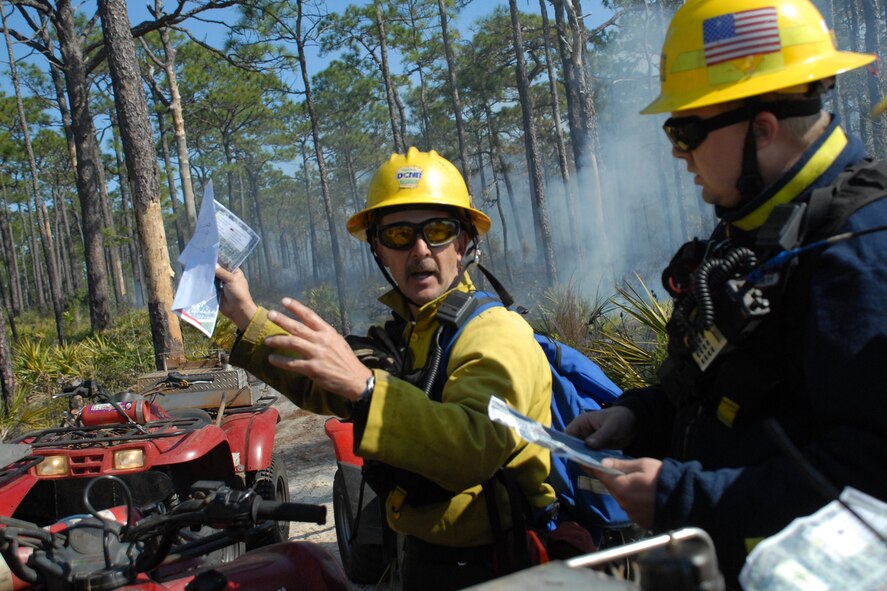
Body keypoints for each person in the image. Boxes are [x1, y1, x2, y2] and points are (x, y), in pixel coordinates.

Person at [567, 0, 887, 586]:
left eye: (686, 129)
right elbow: (724, 380)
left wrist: (682, 496)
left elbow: (869, 483)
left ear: (761, 129)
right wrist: (637, 415)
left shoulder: (858, 251)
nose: (677, 151)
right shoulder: (759, 228)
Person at [215, 147, 554, 590]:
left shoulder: (494, 333)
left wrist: (368, 389)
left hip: (496, 569)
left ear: (464, 242)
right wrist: (245, 314)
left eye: (437, 230)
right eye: (398, 234)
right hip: (421, 561)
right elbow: (331, 380)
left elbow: (475, 447)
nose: (419, 250)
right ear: (378, 248)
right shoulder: (413, 334)